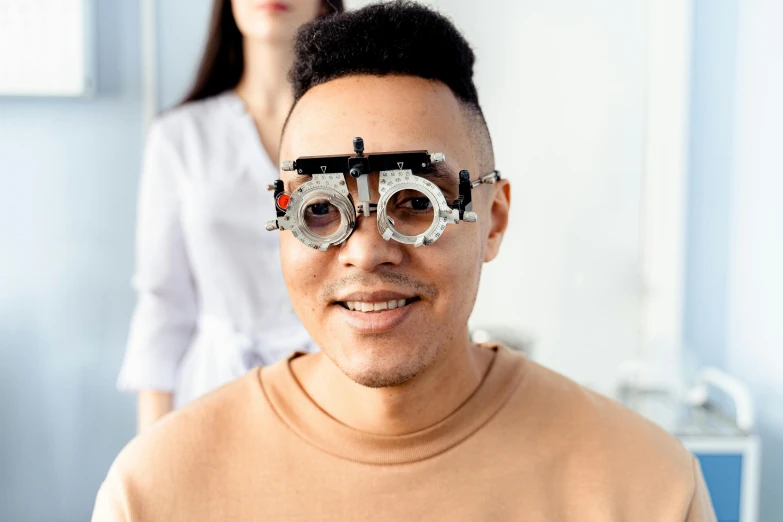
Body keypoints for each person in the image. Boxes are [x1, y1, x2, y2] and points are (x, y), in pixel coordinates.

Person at [94, 2, 717, 520]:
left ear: (493, 218)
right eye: (319, 211)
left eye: (413, 202)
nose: (366, 250)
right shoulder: (155, 492)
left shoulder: (647, 488)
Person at [117, 0, 345, 432]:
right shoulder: (180, 136)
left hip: (335, 387)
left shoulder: (357, 127)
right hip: (211, 393)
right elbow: (163, 302)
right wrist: (150, 453)